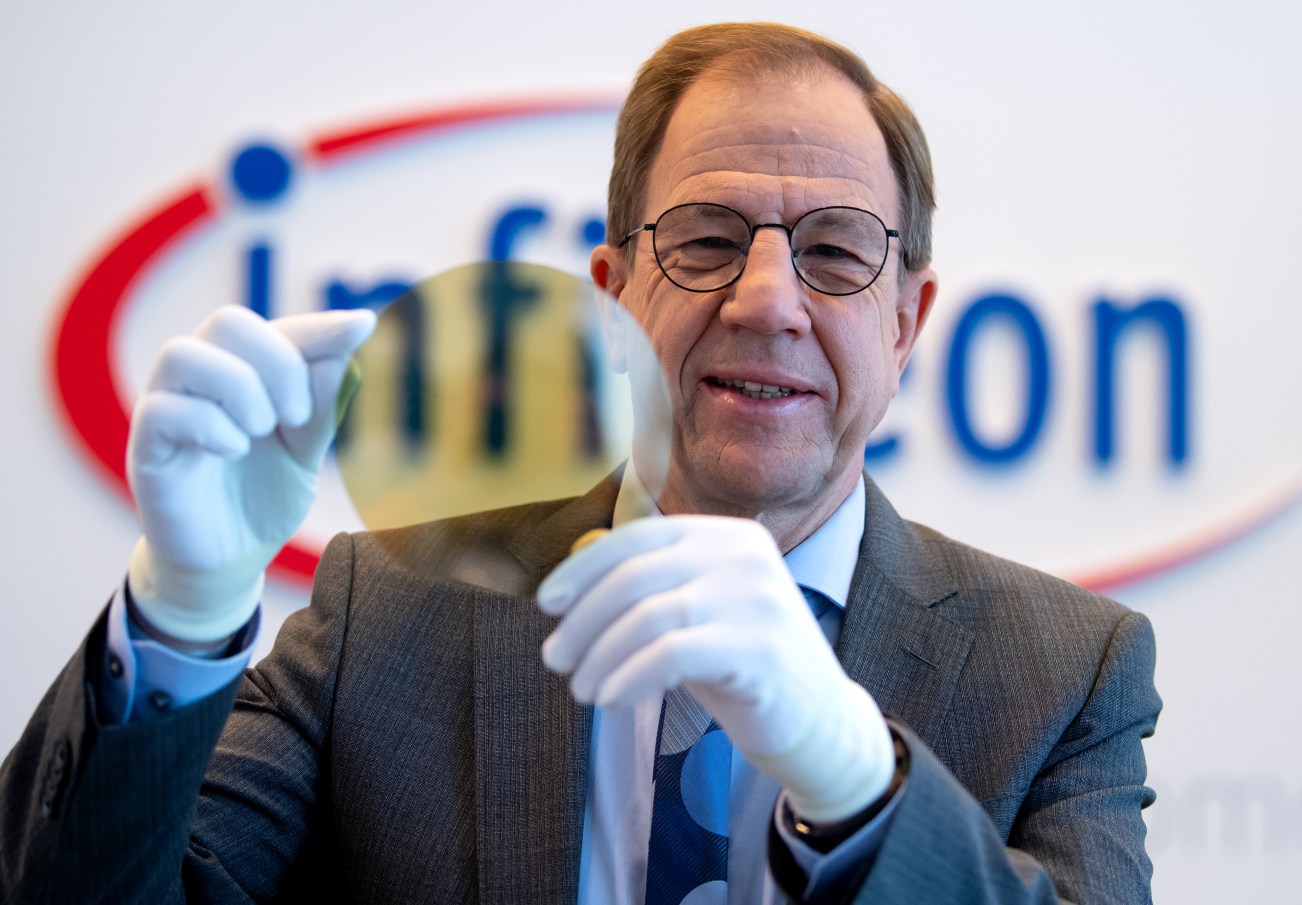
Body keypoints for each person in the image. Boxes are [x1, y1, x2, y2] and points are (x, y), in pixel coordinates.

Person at [0, 22, 1160, 905]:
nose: (767, 301)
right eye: (708, 239)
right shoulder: (387, 614)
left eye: (836, 253)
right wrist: (183, 611)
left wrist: (855, 777)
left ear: (908, 322)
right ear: (614, 298)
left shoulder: (1063, 666)